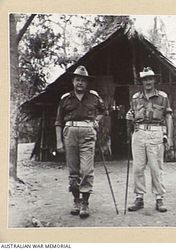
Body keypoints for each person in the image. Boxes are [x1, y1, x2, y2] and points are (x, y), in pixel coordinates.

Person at [55, 65, 106, 218]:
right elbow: (58, 121)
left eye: (83, 80)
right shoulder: (65, 98)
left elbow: (104, 111)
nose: (80, 83)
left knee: (86, 169)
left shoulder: (94, 96)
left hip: (88, 134)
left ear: (87, 83)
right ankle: (76, 200)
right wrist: (59, 142)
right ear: (73, 81)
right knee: (73, 171)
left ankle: (85, 202)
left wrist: (96, 120)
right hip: (70, 133)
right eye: (78, 80)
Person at [126, 67, 173, 213]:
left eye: (150, 78)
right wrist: (129, 117)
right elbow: (131, 114)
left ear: (154, 80)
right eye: (145, 79)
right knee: (138, 168)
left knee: (156, 168)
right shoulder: (135, 98)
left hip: (155, 132)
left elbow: (168, 117)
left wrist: (170, 136)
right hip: (139, 132)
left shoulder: (162, 97)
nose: (148, 82)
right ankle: (139, 198)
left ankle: (159, 198)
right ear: (142, 81)